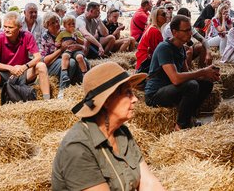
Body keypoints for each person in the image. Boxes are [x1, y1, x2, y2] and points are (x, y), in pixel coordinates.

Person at [52, 62, 165, 190]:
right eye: (128, 93)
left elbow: (149, 182)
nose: (135, 99)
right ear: (106, 101)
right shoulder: (77, 148)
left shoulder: (122, 133)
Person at [144, 15, 219, 130]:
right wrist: (202, 71)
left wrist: (206, 74)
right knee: (192, 86)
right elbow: (176, 79)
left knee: (206, 84)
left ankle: (190, 116)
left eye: (190, 29)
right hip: (155, 93)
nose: (190, 33)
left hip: (171, 88)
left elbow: (186, 74)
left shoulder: (181, 49)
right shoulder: (164, 48)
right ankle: (180, 126)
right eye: (186, 30)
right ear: (175, 32)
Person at [0, 12, 50, 107]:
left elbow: (38, 57)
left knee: (41, 66)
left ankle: (48, 102)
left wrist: (24, 67)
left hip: (23, 72)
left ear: (19, 27)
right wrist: (10, 68)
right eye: (5, 27)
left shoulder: (27, 36)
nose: (6, 30)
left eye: (10, 27)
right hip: (3, 74)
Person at [40, 13, 87, 96]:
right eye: (52, 23)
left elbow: (84, 47)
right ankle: (63, 90)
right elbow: (45, 61)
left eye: (57, 21)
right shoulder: (46, 37)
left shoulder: (66, 30)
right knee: (71, 62)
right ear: (46, 25)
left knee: (83, 60)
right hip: (52, 63)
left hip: (69, 54)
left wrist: (78, 46)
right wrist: (61, 49)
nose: (56, 24)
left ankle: (85, 85)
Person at [56, 15, 88, 80]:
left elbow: (82, 43)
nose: (71, 25)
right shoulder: (62, 33)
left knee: (79, 57)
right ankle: (64, 73)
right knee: (65, 56)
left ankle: (85, 73)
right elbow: (57, 41)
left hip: (76, 50)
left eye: (73, 24)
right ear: (64, 25)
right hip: (68, 49)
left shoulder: (77, 33)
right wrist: (58, 44)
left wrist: (76, 37)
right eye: (69, 24)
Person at [135, 7, 166, 72]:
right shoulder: (155, 31)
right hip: (145, 64)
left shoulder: (151, 27)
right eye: (163, 14)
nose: (166, 16)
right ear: (156, 17)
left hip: (142, 61)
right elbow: (159, 51)